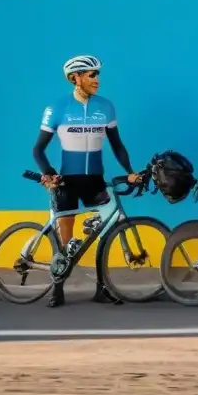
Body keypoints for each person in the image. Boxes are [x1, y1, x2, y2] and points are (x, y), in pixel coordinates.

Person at [33, 55, 143, 308]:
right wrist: (49, 172)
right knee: (65, 239)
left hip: (95, 179)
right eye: (92, 75)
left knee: (104, 233)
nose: (97, 80)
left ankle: (101, 289)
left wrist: (130, 170)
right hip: (67, 181)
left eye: (97, 75)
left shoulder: (106, 107)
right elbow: (38, 149)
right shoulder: (57, 108)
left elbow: (117, 144)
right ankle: (57, 289)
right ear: (76, 78)